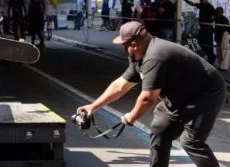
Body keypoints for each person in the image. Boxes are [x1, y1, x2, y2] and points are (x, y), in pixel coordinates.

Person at [76, 21, 225, 167]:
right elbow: (120, 85)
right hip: (178, 97)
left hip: (205, 95)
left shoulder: (155, 56)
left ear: (133, 45)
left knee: (191, 141)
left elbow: (148, 98)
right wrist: (92, 107)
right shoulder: (139, 56)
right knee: (160, 130)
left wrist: (132, 116)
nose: (124, 49)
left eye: (124, 46)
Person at [180, 0, 216, 64]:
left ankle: (211, 59)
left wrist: (211, 22)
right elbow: (192, 3)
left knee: (208, 44)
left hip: (207, 28)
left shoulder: (210, 6)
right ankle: (208, 58)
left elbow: (215, 15)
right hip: (202, 27)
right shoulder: (201, 5)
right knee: (202, 43)